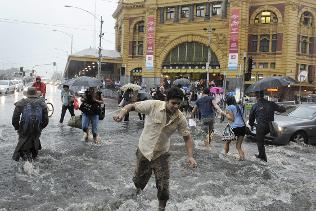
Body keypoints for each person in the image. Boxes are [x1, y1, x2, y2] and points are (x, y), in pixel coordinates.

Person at [113, 87, 197, 211]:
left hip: (162, 154)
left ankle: (161, 208)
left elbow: (187, 138)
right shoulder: (153, 105)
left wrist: (190, 156)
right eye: (173, 103)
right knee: (139, 183)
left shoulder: (180, 118)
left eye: (179, 104)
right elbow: (132, 106)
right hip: (144, 151)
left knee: (163, 186)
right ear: (167, 100)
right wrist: (122, 113)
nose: (176, 106)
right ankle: (134, 202)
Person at [11, 87, 49, 161]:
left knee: (22, 144)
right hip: (37, 128)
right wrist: (40, 127)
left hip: (24, 129)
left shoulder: (22, 102)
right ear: (36, 94)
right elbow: (46, 120)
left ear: (27, 94)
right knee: (35, 141)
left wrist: (17, 127)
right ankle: (34, 160)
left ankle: (24, 162)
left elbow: (15, 118)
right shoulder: (42, 103)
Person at [249, 91, 286, 162]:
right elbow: (282, 110)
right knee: (262, 140)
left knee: (260, 142)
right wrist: (282, 107)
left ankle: (262, 157)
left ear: (256, 96)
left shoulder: (255, 106)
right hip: (270, 127)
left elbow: (251, 119)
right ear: (263, 95)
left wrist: (252, 125)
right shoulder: (271, 104)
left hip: (260, 127)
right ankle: (262, 155)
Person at [222, 96, 245, 160]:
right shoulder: (240, 106)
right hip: (243, 127)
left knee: (227, 142)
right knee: (238, 146)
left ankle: (225, 156)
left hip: (235, 127)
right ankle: (242, 158)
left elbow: (232, 119)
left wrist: (224, 114)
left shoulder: (229, 107)